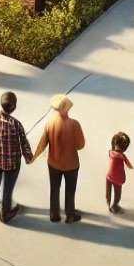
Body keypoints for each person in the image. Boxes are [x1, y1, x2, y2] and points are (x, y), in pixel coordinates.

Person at [31, 93, 87, 223]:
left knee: (54, 189)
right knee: (70, 190)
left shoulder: (50, 123)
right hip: (71, 164)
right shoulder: (74, 124)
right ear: (68, 108)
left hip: (54, 163)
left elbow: (42, 143)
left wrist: (34, 157)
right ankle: (70, 214)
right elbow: (81, 145)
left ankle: (54, 214)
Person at [0, 91, 33, 223]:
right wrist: (29, 158)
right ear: (14, 107)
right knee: (8, 187)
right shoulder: (15, 124)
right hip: (12, 163)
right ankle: (5, 213)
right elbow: (24, 143)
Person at [106, 132, 134, 213]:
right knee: (117, 195)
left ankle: (108, 205)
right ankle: (114, 206)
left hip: (109, 176)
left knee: (108, 192)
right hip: (118, 178)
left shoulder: (110, 152)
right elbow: (129, 165)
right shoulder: (122, 156)